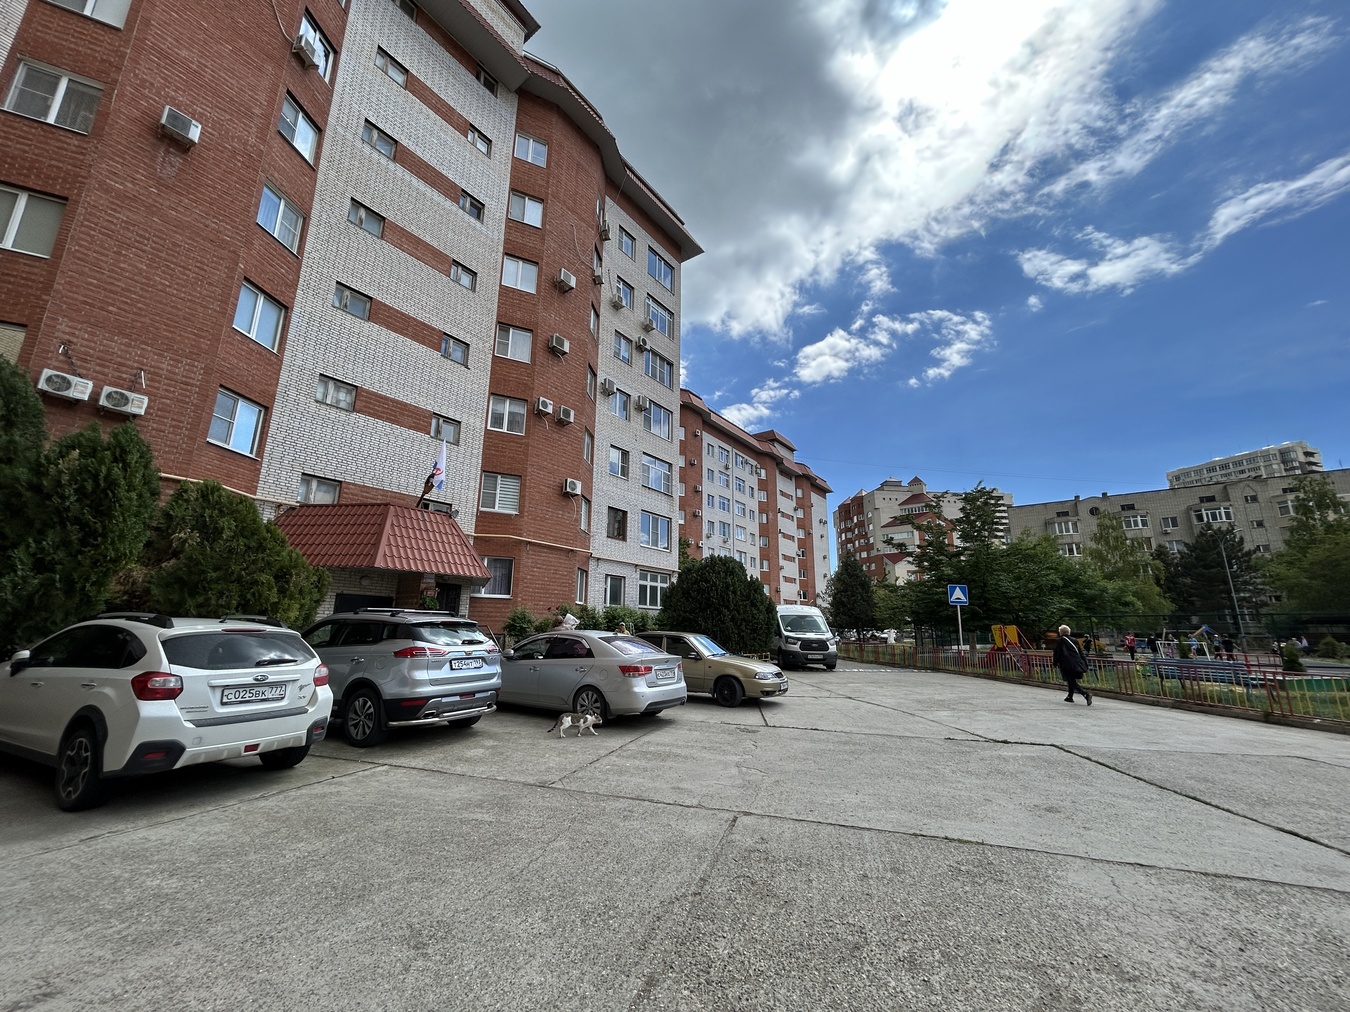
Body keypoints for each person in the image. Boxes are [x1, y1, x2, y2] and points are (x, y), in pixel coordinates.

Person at [1052, 624, 1092, 705]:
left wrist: (1055, 663)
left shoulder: (1060, 641)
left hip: (1066, 663)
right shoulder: (1074, 640)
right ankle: (1070, 697)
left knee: (1070, 680)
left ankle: (1085, 694)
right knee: (1072, 679)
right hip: (1077, 662)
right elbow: (1080, 652)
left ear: (1061, 632)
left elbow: (1057, 653)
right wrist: (1085, 663)